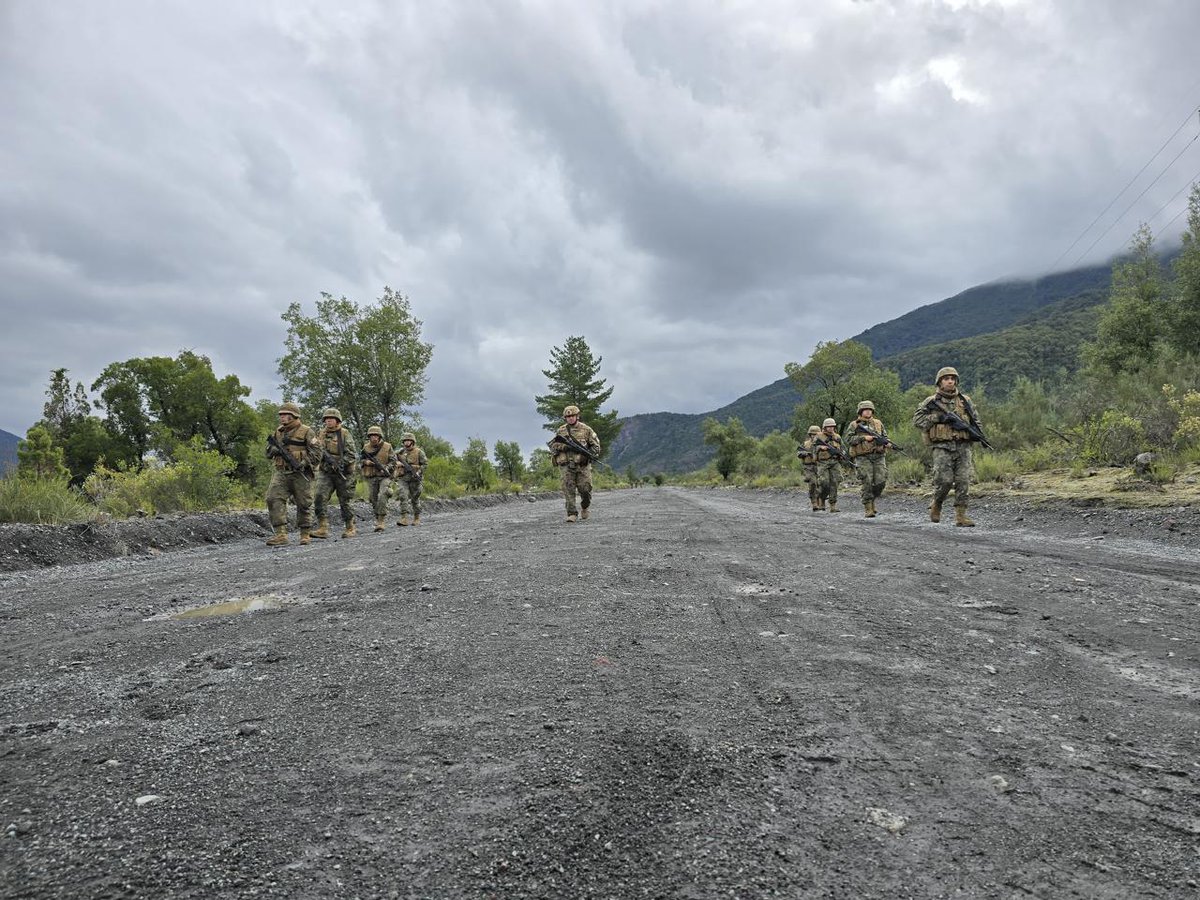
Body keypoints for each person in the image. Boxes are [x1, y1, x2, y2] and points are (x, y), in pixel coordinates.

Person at [913, 366, 980, 526]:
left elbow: (975, 420)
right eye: (946, 379)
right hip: (942, 447)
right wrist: (938, 418)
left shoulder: (965, 400)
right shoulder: (931, 401)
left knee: (963, 481)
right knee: (944, 481)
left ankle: (961, 516)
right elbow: (917, 421)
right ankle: (937, 503)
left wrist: (977, 434)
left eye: (952, 378)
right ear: (940, 382)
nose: (950, 381)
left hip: (963, 447)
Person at [264, 402, 321, 546]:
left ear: (294, 416)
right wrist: (274, 450)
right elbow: (268, 452)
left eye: (285, 415)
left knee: (304, 503)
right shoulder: (278, 432)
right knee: (273, 498)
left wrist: (304, 463)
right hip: (282, 472)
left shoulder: (307, 431)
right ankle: (281, 535)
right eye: (281, 415)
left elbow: (317, 453)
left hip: (301, 473)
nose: (282, 418)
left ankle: (305, 534)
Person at [311, 408, 358, 539]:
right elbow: (316, 452)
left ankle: (350, 527)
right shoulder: (321, 434)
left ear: (337, 420)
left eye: (331, 418)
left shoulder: (344, 434)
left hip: (343, 473)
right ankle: (322, 528)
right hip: (325, 472)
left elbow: (351, 454)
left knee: (345, 500)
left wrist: (341, 464)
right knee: (319, 497)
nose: (328, 420)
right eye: (326, 419)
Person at [549, 404, 601, 523]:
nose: (570, 418)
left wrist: (587, 455)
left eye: (573, 416)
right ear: (565, 418)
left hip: (582, 466)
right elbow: (553, 446)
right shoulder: (561, 431)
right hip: (566, 465)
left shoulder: (586, 430)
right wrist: (564, 447)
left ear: (577, 416)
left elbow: (596, 446)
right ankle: (572, 513)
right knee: (568, 489)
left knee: (585, 489)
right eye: (568, 417)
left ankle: (585, 506)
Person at [844, 400, 889, 518]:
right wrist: (863, 438)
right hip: (863, 457)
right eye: (865, 409)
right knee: (867, 481)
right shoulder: (854, 425)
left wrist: (886, 443)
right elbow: (848, 439)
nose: (868, 411)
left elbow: (885, 436)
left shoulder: (878, 423)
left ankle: (873, 499)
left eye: (870, 409)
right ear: (860, 411)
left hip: (878, 456)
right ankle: (868, 507)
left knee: (881, 481)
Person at [360, 426, 394, 532]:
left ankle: (381, 521)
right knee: (372, 498)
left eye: (376, 436)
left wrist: (387, 468)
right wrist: (366, 462)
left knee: (383, 494)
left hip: (384, 476)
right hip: (372, 476)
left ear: (379, 437)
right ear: (369, 437)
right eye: (372, 436)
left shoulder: (387, 446)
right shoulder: (365, 448)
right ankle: (377, 516)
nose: (374, 438)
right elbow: (359, 461)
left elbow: (393, 461)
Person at [811, 417, 846, 512]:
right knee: (824, 482)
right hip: (823, 462)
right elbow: (813, 448)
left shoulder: (837, 437)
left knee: (835, 482)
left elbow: (843, 448)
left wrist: (842, 454)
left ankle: (833, 505)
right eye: (828, 426)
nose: (831, 428)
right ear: (824, 427)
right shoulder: (818, 436)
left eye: (832, 426)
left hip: (835, 462)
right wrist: (820, 448)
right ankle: (821, 499)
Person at [394, 432, 427, 526]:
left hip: (415, 479)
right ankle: (404, 518)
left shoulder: (419, 452)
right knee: (403, 496)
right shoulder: (400, 452)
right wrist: (397, 463)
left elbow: (425, 464)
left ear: (412, 441)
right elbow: (392, 458)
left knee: (415, 499)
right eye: (405, 441)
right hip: (403, 478)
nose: (407, 442)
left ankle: (417, 518)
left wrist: (418, 471)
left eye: (408, 440)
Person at [798, 425, 822, 512]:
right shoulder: (805, 444)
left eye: (816, 434)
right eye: (812, 434)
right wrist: (805, 454)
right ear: (810, 435)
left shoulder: (822, 443)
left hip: (820, 465)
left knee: (821, 484)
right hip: (808, 466)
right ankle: (814, 502)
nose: (814, 436)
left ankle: (820, 501)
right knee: (813, 483)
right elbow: (799, 453)